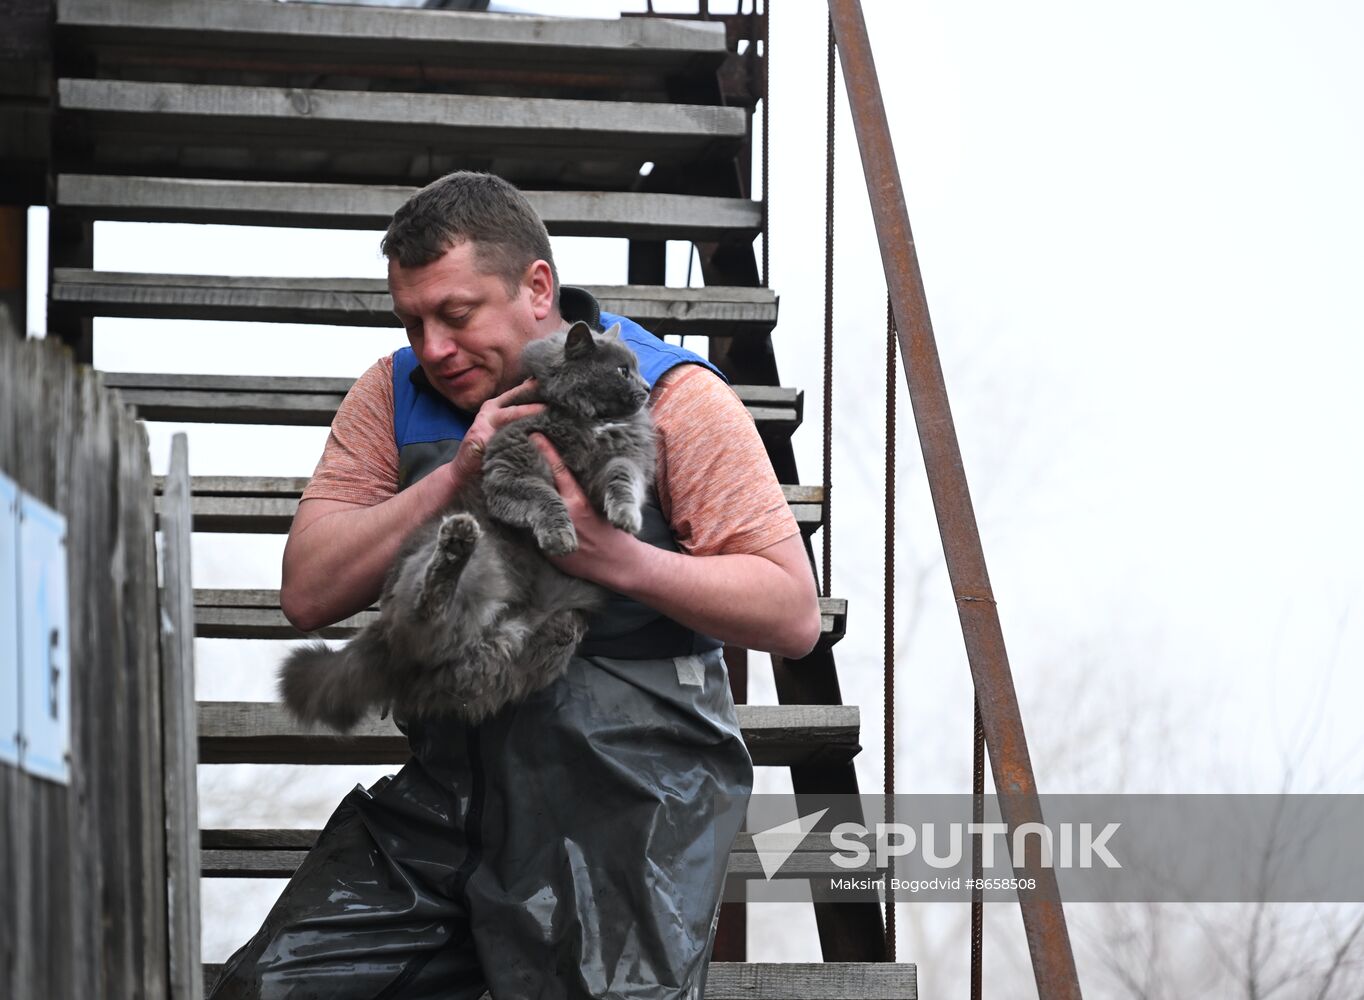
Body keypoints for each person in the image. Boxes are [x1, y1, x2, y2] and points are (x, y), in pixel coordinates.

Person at [210, 171, 821, 999]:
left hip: (632, 804)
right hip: (447, 803)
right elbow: (308, 590)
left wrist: (617, 560)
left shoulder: (675, 395)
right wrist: (455, 474)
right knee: (269, 990)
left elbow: (791, 611)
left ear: (538, 288)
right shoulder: (392, 395)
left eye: (456, 316)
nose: (432, 347)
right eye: (413, 321)